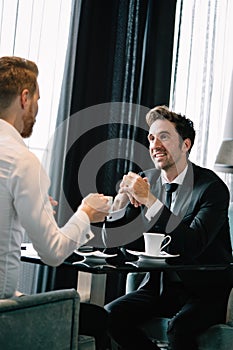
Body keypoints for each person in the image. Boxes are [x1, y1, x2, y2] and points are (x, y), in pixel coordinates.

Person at [105, 105, 233, 350]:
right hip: (160, 287)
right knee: (110, 316)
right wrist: (119, 206)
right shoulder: (147, 180)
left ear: (186, 144)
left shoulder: (212, 188)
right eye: (152, 138)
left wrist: (150, 201)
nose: (155, 144)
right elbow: (123, 244)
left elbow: (192, 245)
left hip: (205, 291)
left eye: (164, 136)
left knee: (179, 328)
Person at [0, 56, 111, 300]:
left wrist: (21, 206)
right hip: (3, 314)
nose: (37, 110)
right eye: (37, 101)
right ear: (25, 98)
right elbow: (53, 252)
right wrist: (86, 213)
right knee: (93, 317)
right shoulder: (21, 160)